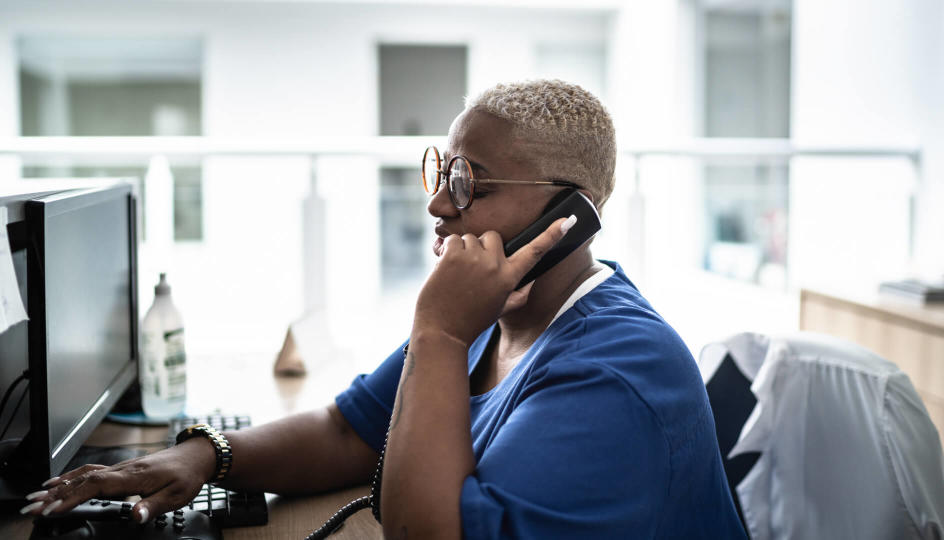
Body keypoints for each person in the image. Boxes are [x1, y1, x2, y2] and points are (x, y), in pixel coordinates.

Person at [20, 79, 747, 539]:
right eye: (443, 171)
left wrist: (436, 331)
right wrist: (203, 456)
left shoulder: (617, 373)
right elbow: (351, 429)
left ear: (570, 213)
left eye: (470, 183)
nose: (437, 204)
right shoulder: (495, 314)